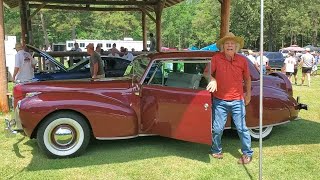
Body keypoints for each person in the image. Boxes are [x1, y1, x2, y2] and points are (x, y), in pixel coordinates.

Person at [206, 32, 253, 164]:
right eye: (227, 43)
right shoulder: (216, 58)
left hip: (238, 100)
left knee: (242, 128)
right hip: (219, 100)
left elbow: (247, 78)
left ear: (236, 46)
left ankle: (247, 154)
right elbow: (206, 73)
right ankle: (216, 150)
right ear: (223, 46)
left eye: (232, 43)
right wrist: (213, 79)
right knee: (217, 129)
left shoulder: (242, 60)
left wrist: (248, 94)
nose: (230, 45)